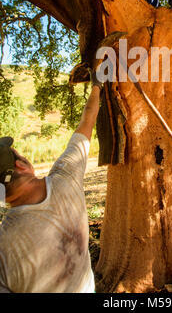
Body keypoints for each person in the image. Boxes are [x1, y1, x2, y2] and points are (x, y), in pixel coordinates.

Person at [0, 75, 102, 293]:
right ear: (21, 166)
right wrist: (97, 84)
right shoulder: (67, 176)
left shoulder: (3, 248)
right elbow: (87, 120)